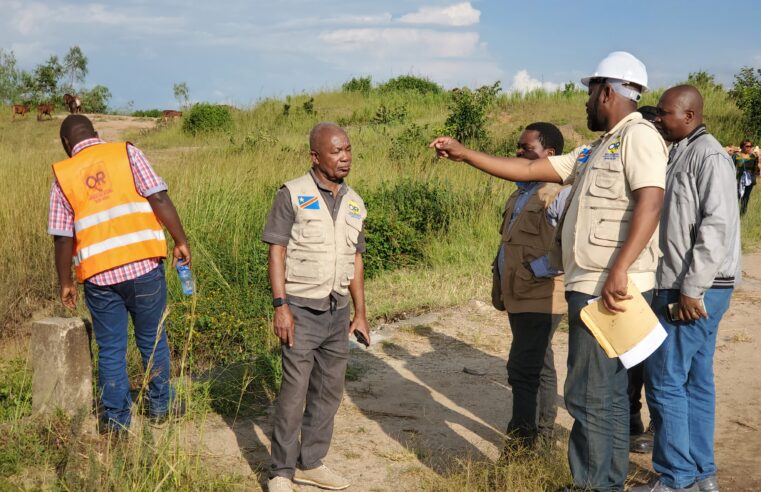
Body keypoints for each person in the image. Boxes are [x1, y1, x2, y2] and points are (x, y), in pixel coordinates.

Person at [431, 51, 667, 491]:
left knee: (589, 393)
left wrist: (619, 269)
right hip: (596, 284)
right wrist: (465, 154)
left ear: (607, 91)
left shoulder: (639, 137)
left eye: (590, 92)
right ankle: (605, 483)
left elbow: (651, 202)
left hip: (608, 286)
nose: (585, 102)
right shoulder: (600, 146)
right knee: (609, 395)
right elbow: (528, 168)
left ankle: (591, 485)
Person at [48, 114, 191, 433]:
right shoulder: (127, 153)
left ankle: (115, 422)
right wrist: (180, 241)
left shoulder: (63, 176)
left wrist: (65, 282)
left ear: (66, 144)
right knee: (153, 341)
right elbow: (158, 197)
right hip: (143, 267)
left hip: (99, 279)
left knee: (111, 348)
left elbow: (62, 236)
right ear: (96, 133)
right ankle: (160, 408)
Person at [633, 86, 740, 492]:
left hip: (692, 288)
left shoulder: (708, 155)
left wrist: (691, 290)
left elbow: (716, 227)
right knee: (695, 380)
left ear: (690, 115)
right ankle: (700, 475)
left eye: (664, 113)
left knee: (664, 380)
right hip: (692, 285)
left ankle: (676, 478)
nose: (658, 119)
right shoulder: (681, 149)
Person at [262, 122, 371, 492]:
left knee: (329, 391)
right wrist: (281, 306)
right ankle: (281, 471)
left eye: (348, 150)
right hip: (300, 311)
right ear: (315, 156)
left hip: (337, 312)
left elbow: (355, 262)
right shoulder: (292, 194)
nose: (345, 158)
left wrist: (360, 313)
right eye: (336, 151)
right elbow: (276, 251)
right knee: (295, 392)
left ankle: (311, 462)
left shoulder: (355, 201)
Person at [490, 122, 569, 453]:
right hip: (518, 294)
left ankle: (526, 441)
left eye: (527, 149)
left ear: (549, 155)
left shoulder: (556, 194)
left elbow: (566, 249)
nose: (519, 153)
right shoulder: (521, 191)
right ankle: (540, 433)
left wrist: (531, 271)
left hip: (541, 296)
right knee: (541, 362)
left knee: (523, 368)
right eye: (518, 147)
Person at [627, 105, 659, 454]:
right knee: (633, 359)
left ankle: (655, 427)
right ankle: (632, 422)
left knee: (659, 366)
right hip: (639, 278)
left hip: (665, 281)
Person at [733, 139, 759, 215]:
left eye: (751, 146)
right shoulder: (736, 156)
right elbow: (731, 167)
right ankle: (733, 215)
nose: (749, 148)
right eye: (747, 146)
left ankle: (742, 215)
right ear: (742, 146)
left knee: (746, 198)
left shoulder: (753, 157)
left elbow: (755, 169)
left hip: (749, 180)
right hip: (738, 179)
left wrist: (754, 178)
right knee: (736, 197)